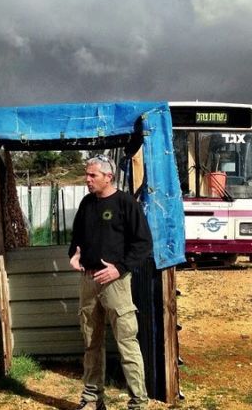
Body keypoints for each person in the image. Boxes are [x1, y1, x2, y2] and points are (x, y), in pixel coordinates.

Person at [68, 154, 153, 410]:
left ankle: (138, 401)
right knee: (91, 342)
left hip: (116, 283)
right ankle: (92, 399)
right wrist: (75, 254)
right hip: (89, 281)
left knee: (127, 341)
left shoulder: (126, 204)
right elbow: (77, 239)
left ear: (109, 177)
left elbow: (143, 244)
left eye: (93, 175)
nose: (87, 179)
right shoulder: (86, 204)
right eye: (87, 174)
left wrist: (120, 269)